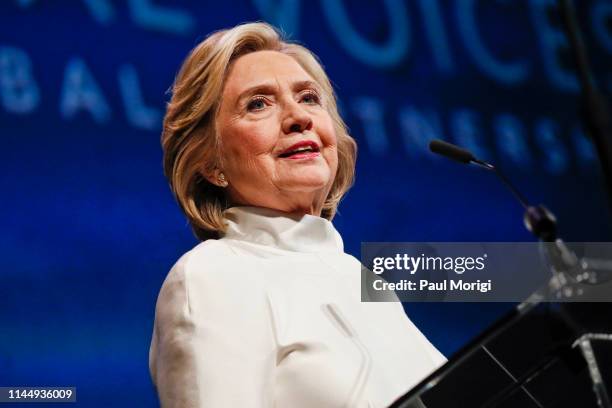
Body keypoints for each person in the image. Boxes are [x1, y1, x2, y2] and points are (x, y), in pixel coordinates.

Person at [149, 22, 446, 408]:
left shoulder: (361, 279)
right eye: (258, 104)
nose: (297, 117)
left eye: (308, 98)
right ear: (211, 162)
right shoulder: (211, 276)